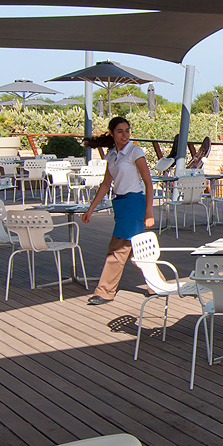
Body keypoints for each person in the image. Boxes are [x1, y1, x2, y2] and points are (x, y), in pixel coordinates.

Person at [81, 117, 155, 305]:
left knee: (117, 249)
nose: (125, 135)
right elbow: (106, 184)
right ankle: (156, 285)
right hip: (121, 204)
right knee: (136, 251)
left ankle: (105, 291)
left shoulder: (135, 151)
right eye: (120, 131)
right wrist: (91, 209)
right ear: (112, 133)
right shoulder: (112, 154)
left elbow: (148, 182)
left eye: (127, 130)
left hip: (134, 203)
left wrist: (149, 211)